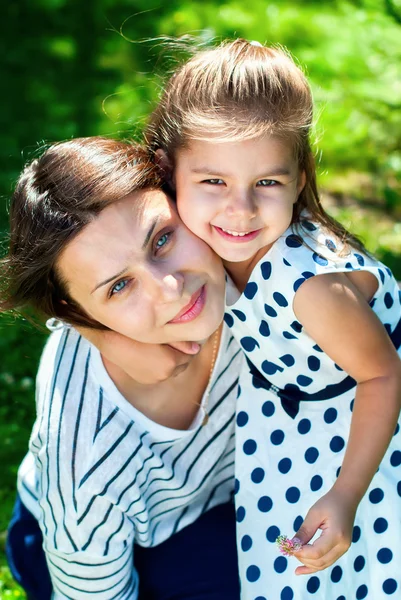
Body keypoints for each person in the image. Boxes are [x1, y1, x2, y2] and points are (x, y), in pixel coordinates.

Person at [90, 39, 401, 598]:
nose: (241, 210)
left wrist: (345, 495)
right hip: (288, 430)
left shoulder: (311, 289)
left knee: (350, 575)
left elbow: (383, 376)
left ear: (299, 179)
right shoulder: (198, 242)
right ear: (169, 172)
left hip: (359, 439)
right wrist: (84, 323)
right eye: (214, 182)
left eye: (267, 183)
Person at [0, 137, 243, 600]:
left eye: (162, 238)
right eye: (119, 287)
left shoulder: (241, 269)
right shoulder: (86, 461)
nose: (170, 290)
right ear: (79, 314)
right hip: (125, 550)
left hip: (225, 491)